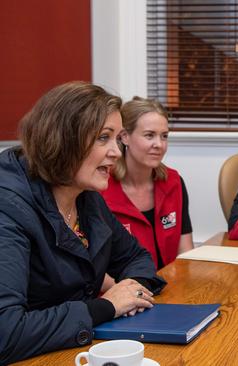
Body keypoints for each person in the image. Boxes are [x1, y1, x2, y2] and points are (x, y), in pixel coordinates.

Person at [0, 82, 166, 364]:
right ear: (63, 139)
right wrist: (105, 307)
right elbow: (6, 333)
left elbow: (136, 257)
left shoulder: (87, 198)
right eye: (104, 138)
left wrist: (130, 290)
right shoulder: (8, 208)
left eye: (117, 139)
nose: (116, 151)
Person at [101, 97, 193, 270]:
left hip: (170, 288)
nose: (159, 144)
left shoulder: (174, 182)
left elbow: (185, 251)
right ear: (125, 137)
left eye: (164, 136)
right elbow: (95, 268)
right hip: (122, 291)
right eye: (149, 135)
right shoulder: (101, 189)